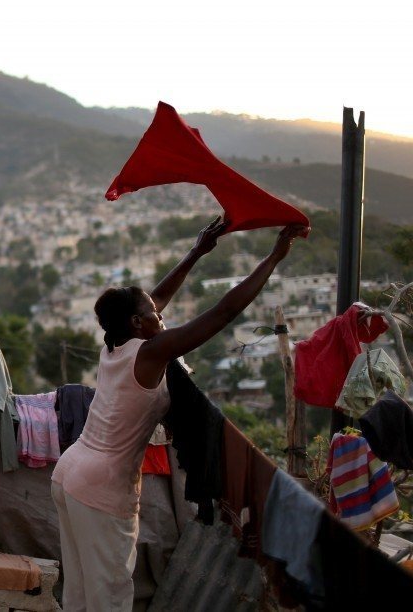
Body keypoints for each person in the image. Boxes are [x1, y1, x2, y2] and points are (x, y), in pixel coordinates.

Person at [50, 217, 308, 611]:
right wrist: (273, 258)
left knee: (81, 591)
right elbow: (223, 313)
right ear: (139, 323)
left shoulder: (116, 346)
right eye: (153, 313)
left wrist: (197, 252)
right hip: (101, 486)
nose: (161, 314)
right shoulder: (151, 352)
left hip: (70, 472)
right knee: (110, 595)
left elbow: (156, 299)